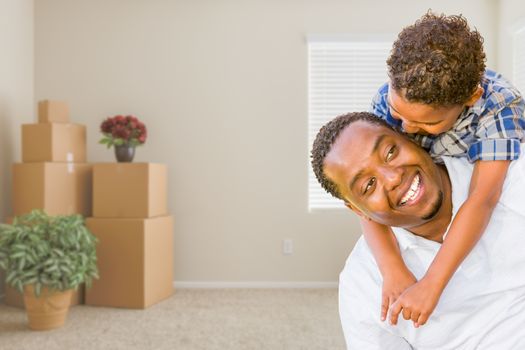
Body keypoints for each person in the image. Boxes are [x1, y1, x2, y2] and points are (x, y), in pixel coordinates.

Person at [363, 11, 525, 325]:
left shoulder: (499, 106)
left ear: (470, 98)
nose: (407, 128)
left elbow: (483, 198)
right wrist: (392, 267)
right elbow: (364, 199)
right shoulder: (386, 101)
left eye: (428, 122)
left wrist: (432, 284)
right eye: (400, 114)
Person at [311, 112, 525, 349]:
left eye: (390, 152)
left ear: (411, 138)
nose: (392, 178)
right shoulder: (362, 284)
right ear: (357, 210)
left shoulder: (512, 175)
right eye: (368, 185)